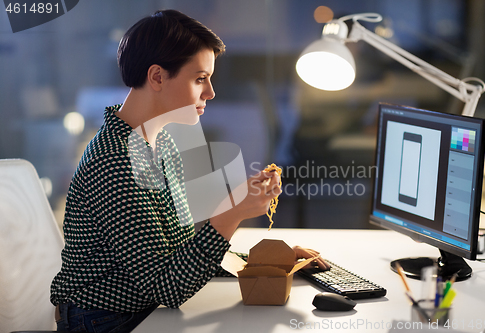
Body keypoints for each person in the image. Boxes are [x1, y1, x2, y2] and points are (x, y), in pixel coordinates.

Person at [50, 9, 328, 332]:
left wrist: (267, 260)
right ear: (157, 77)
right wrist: (232, 214)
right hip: (105, 320)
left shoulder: (160, 142)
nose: (210, 92)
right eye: (199, 79)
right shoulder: (113, 162)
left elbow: (176, 255)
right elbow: (169, 288)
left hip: (146, 309)